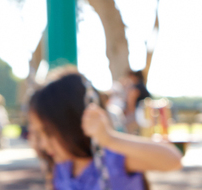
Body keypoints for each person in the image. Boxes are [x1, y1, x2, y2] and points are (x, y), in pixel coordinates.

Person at [26, 69, 183, 190]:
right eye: (38, 133)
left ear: (70, 125)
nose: (44, 144)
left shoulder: (113, 159)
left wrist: (109, 138)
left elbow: (173, 160)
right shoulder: (61, 167)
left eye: (47, 133)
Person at [122, 70, 151, 135]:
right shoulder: (141, 85)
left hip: (140, 114)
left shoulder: (137, 87)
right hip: (143, 114)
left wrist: (130, 114)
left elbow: (131, 101)